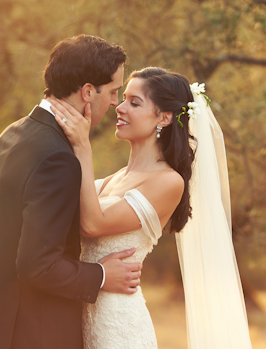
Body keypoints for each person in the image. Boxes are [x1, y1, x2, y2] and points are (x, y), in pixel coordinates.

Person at [49, 67, 253, 348]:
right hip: (81, 318)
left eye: (134, 102)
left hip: (119, 328)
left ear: (165, 117)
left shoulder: (168, 182)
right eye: (122, 99)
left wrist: (82, 146)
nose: (119, 108)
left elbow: (93, 224)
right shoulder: (114, 178)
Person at [0, 35, 143, 349]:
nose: (115, 102)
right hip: (35, 334)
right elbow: (38, 266)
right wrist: (100, 275)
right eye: (114, 91)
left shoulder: (11, 135)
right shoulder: (59, 158)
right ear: (88, 91)